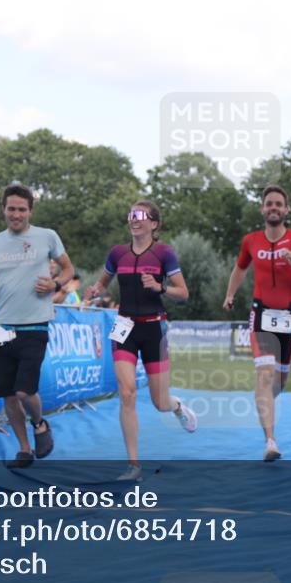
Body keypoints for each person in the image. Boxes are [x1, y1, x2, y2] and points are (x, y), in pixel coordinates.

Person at [84, 200, 197, 481]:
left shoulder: (164, 253)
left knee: (160, 401)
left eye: (141, 215)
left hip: (153, 330)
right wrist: (95, 290)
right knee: (127, 393)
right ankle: (134, 465)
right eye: (131, 215)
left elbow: (183, 292)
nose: (134, 219)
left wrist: (160, 287)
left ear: (154, 224)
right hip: (124, 329)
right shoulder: (117, 253)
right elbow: (103, 283)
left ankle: (177, 407)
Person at [0, 184, 75, 469]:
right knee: (7, 394)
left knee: (23, 391)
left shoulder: (47, 236)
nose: (16, 214)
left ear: (30, 210)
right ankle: (24, 449)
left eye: (21, 209)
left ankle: (40, 424)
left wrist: (55, 284)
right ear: (3, 209)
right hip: (3, 327)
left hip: (36, 325)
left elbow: (68, 270)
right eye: (11, 209)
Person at [222, 185, 291, 461]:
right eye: (269, 203)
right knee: (265, 374)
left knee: (279, 381)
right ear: (262, 208)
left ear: (286, 210)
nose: (273, 208)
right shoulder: (251, 241)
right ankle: (270, 441)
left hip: (288, 317)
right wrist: (231, 294)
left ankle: (263, 399)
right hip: (261, 314)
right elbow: (240, 267)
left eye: (279, 204)